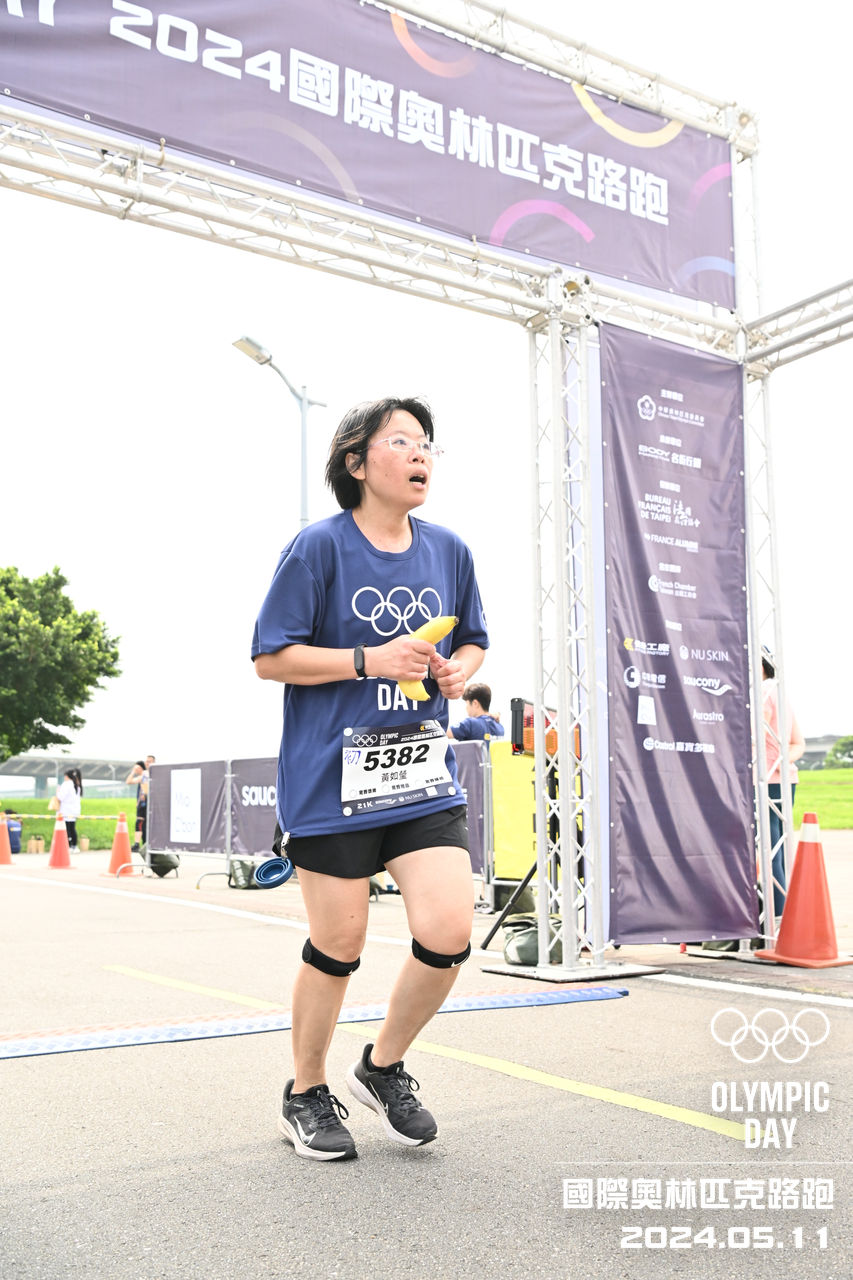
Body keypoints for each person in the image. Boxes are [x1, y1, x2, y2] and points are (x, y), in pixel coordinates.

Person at [252, 396, 489, 1162]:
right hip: (331, 781)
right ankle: (304, 1092)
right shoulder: (317, 548)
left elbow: (473, 640)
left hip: (419, 775)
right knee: (339, 942)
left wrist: (457, 672)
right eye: (401, 441)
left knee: (448, 930)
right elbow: (270, 658)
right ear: (355, 462)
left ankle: (382, 1067)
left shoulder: (448, 551)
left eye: (426, 443)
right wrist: (367, 660)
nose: (420, 454)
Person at [762, 649, 805, 917]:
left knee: (768, 851)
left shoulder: (762, 692)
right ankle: (783, 911)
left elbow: (752, 735)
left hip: (764, 779)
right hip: (785, 780)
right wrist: (782, 761)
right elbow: (799, 743)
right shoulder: (780, 694)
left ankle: (777, 915)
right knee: (778, 847)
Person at [125, 755, 155, 850]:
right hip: (143, 803)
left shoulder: (157, 774)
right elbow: (129, 781)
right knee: (140, 823)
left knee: (149, 825)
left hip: (153, 804)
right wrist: (133, 772)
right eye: (146, 761)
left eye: (150, 761)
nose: (147, 763)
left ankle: (148, 844)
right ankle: (137, 844)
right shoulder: (144, 775)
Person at [55, 769, 83, 850]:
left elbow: (60, 797)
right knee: (72, 828)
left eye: (65, 776)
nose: (64, 778)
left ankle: (69, 846)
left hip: (66, 810)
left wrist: (57, 791)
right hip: (74, 811)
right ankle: (74, 846)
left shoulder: (66, 784)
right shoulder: (77, 785)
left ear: (67, 776)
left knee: (67, 829)